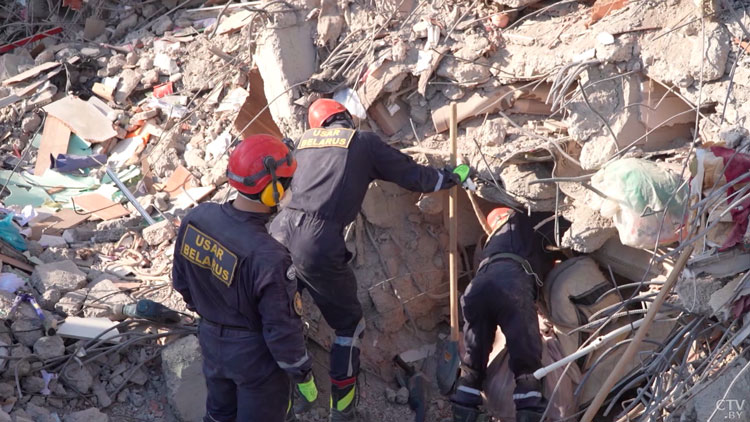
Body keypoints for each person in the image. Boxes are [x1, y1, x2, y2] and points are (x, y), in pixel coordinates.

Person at [270, 98, 466, 421]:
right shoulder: (362, 142)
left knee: (281, 320)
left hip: (277, 232)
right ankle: (342, 411)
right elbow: (412, 175)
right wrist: (448, 177)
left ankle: (294, 402)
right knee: (348, 326)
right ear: (345, 117)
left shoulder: (302, 142)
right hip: (317, 240)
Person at [172, 134, 318, 422]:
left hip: (211, 340)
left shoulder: (197, 218)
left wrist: (213, 315)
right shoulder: (269, 257)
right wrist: (302, 374)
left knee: (218, 415)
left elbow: (181, 282)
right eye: (286, 182)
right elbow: (281, 330)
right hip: (254, 357)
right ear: (272, 191)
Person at [451, 207, 566, 422]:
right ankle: (528, 411)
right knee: (526, 364)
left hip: (477, 289)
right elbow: (564, 237)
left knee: (472, 362)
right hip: (512, 285)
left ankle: (463, 411)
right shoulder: (524, 219)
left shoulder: (488, 243)